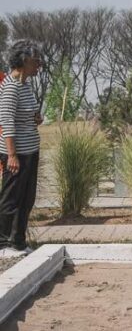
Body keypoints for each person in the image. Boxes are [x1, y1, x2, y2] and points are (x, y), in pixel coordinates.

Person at [0, 40, 43, 256]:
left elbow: (26, 115)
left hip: (31, 150)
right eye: (36, 61)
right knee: (11, 198)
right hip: (16, 153)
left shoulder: (26, 85)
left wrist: (37, 118)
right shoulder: (10, 86)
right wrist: (12, 155)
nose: (39, 65)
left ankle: (18, 242)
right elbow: (6, 121)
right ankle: (3, 243)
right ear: (25, 61)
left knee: (27, 197)